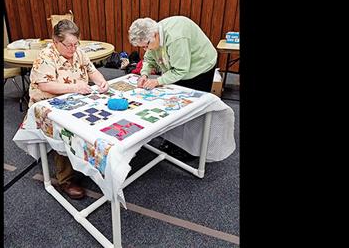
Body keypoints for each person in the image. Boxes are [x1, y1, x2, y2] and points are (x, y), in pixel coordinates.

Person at [29, 19, 109, 199]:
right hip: (47, 105)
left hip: (74, 98)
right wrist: (75, 87)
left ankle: (89, 162)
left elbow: (91, 70)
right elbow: (45, 86)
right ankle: (65, 179)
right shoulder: (45, 57)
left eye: (75, 44)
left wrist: (100, 80)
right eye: (68, 45)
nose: (73, 49)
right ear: (55, 41)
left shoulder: (78, 52)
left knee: (97, 119)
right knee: (67, 130)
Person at [127, 16, 217, 160]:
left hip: (200, 66)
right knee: (175, 106)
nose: (145, 49)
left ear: (155, 35)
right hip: (180, 66)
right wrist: (144, 74)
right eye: (142, 47)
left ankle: (190, 151)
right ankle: (175, 142)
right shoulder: (152, 36)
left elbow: (181, 71)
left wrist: (158, 81)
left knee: (192, 110)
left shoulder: (176, 38)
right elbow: (149, 58)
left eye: (146, 45)